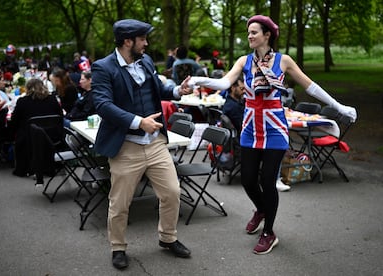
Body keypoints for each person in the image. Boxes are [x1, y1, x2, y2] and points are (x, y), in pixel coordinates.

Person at [188, 15, 357, 255]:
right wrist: (196, 79)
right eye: (248, 32)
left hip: (275, 128)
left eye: (254, 32)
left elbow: (310, 86)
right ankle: (261, 209)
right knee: (247, 179)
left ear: (267, 35)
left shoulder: (283, 61)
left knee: (268, 181)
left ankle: (269, 232)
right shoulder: (244, 61)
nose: (249, 36)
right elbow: (225, 84)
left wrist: (339, 107)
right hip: (249, 128)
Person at [91, 18, 193, 270]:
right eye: (142, 39)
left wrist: (178, 91)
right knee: (120, 203)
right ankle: (118, 247)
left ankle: (168, 238)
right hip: (126, 146)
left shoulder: (145, 61)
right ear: (128, 41)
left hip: (156, 144)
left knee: (172, 192)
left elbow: (158, 89)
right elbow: (103, 105)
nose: (146, 43)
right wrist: (138, 122)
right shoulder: (103, 67)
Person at [9, 78, 63, 180]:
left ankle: (24, 166)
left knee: (18, 131)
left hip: (29, 138)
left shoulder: (23, 101)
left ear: (28, 88)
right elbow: (60, 117)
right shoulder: (52, 99)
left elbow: (14, 121)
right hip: (51, 136)